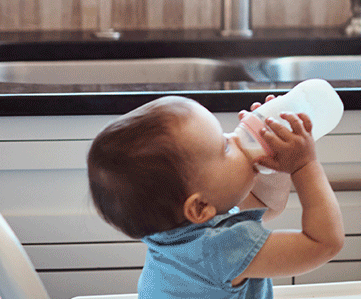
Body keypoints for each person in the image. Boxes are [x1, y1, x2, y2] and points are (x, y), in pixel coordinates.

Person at [85, 95, 345, 299]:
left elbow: (267, 206)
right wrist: (305, 166)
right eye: (225, 146)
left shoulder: (176, 228)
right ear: (199, 207)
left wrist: (273, 163)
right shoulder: (219, 250)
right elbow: (323, 243)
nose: (236, 137)